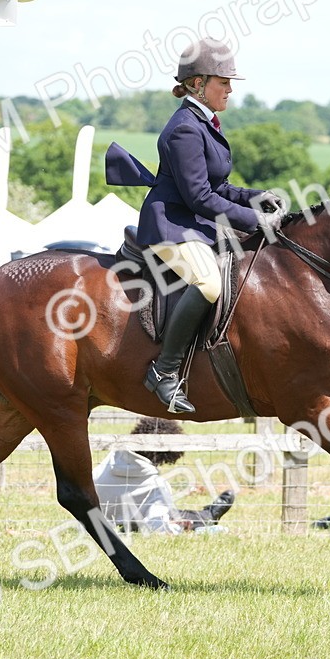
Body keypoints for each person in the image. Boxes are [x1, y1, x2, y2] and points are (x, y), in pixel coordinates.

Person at [104, 38, 284, 414]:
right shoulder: (185, 128)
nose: (231, 90)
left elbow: (218, 187)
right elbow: (200, 197)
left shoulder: (203, 123)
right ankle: (164, 370)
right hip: (170, 226)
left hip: (193, 223)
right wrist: (255, 221)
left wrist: (257, 197)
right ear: (198, 83)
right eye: (224, 82)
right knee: (208, 282)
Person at [92, 416, 235, 534]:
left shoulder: (111, 458)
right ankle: (207, 516)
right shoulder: (157, 486)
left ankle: (206, 515)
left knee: (169, 511)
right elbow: (159, 528)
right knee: (177, 515)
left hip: (96, 519)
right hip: (136, 519)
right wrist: (181, 527)